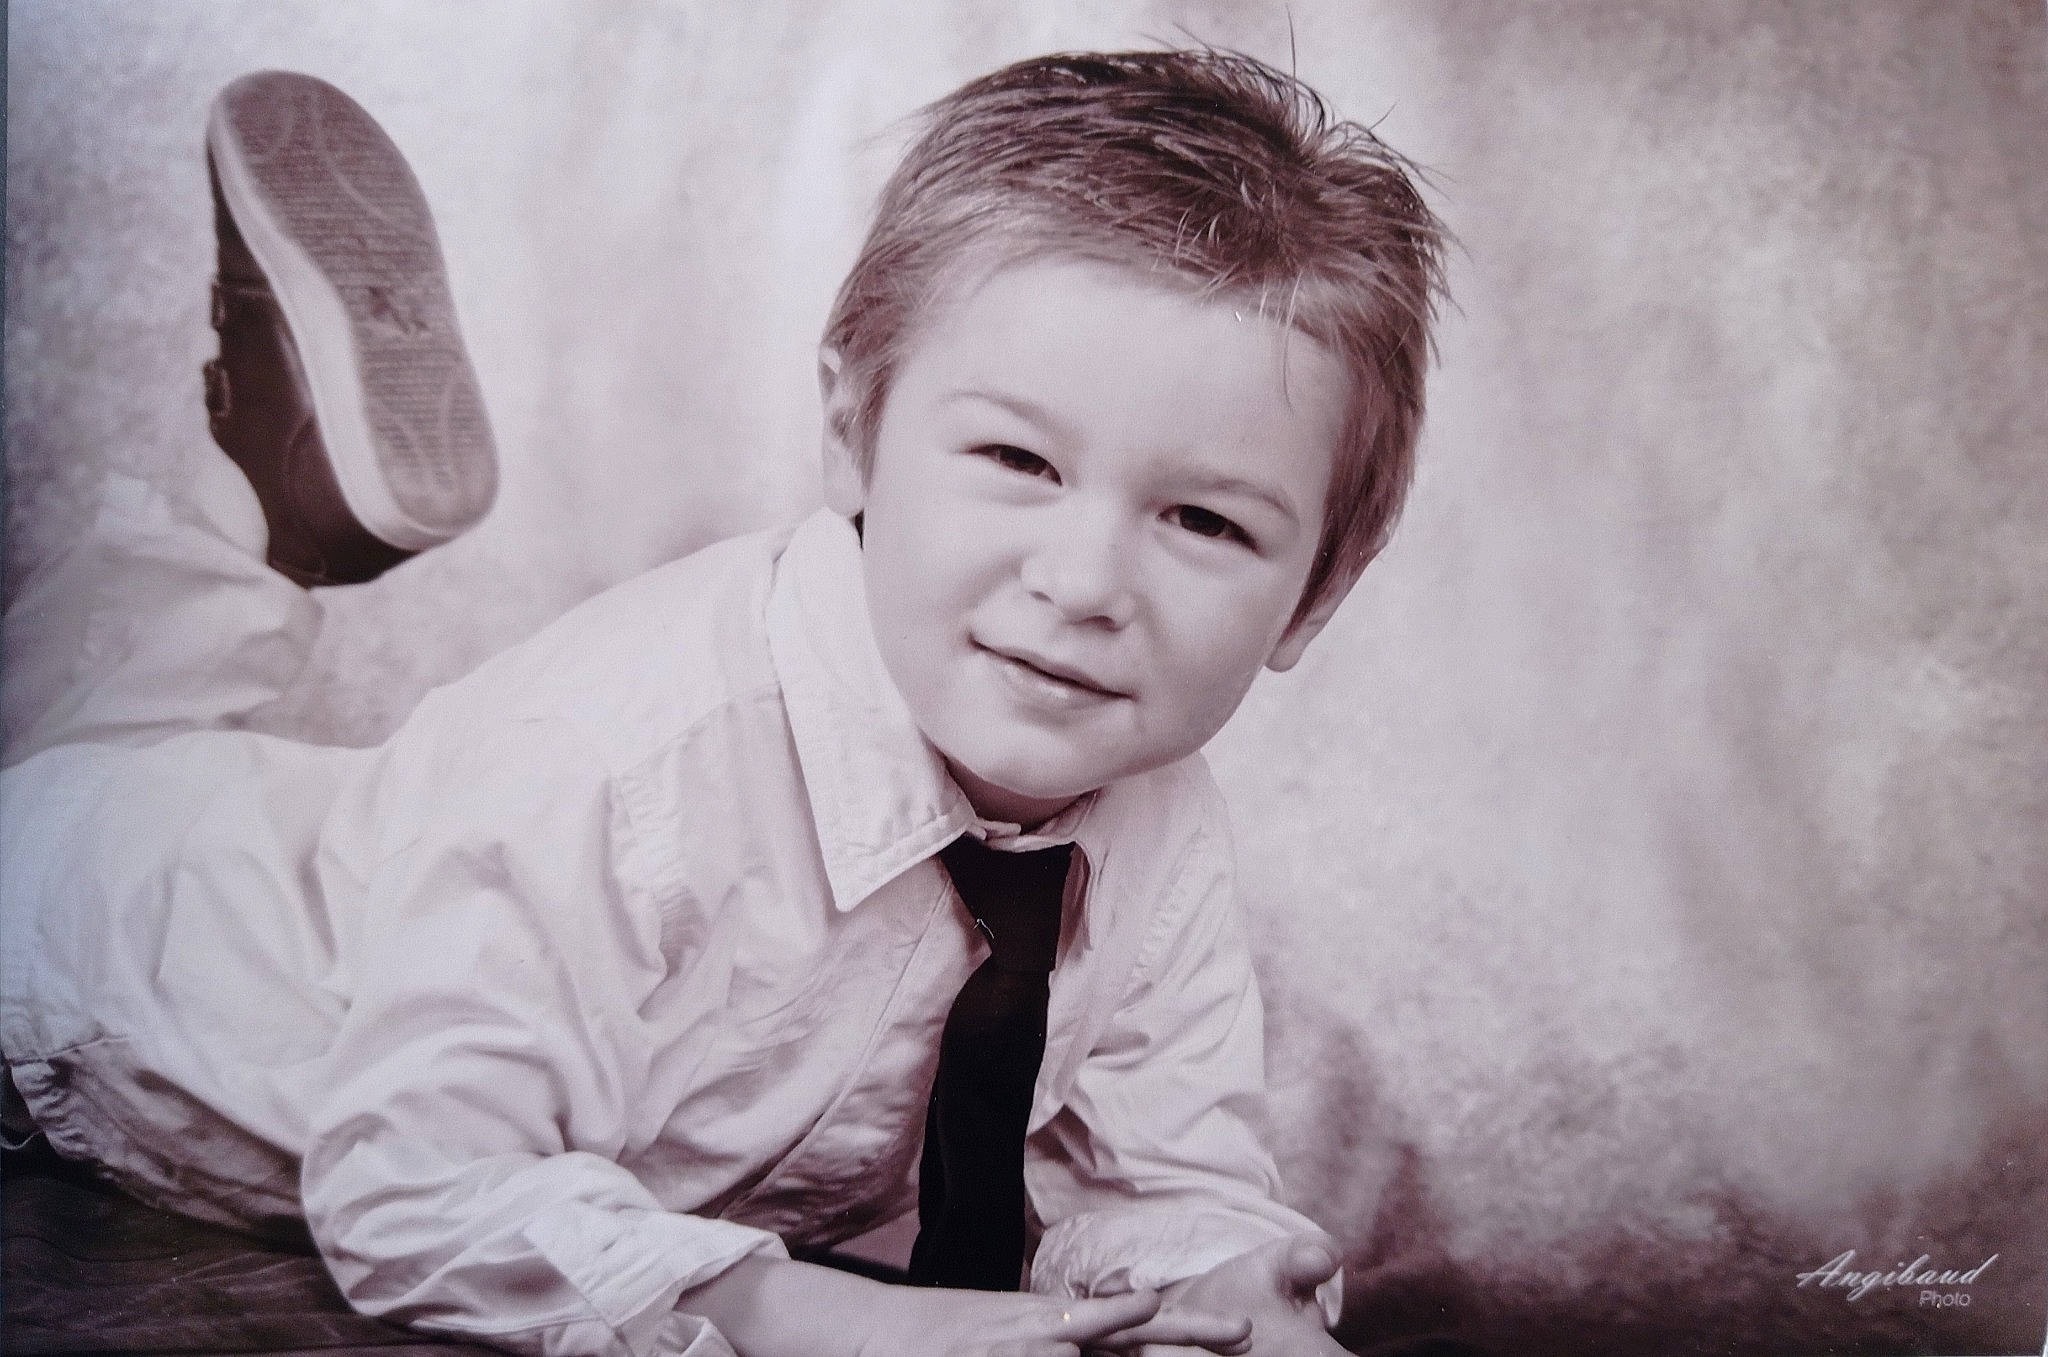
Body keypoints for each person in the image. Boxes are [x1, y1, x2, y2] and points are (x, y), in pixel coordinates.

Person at [0, 47, 1447, 1357]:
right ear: (850, 436)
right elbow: (410, 1182)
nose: (1083, 580)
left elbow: (1158, 1171)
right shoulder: (624, 763)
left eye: (1203, 521)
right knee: (61, 790)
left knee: (133, 732)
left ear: (1312, 598)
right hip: (94, 949)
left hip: (334, 840)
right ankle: (247, 520)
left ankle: (255, 515)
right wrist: (809, 1315)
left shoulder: (1158, 824)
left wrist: (1233, 1292)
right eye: (1018, 460)